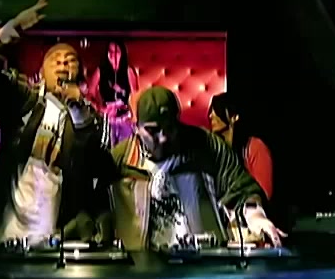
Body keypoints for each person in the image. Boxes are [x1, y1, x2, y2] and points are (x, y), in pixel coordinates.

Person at [0, 0, 118, 247]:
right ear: (40, 73)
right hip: (6, 232)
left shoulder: (90, 120)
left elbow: (99, 169)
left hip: (56, 239)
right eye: (54, 59)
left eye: (70, 59)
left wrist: (79, 110)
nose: (62, 62)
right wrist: (6, 32)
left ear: (81, 74)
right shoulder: (23, 100)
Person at [109, 86, 286, 250]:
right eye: (152, 131)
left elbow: (240, 188)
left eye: (170, 128)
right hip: (145, 260)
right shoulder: (122, 159)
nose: (163, 138)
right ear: (136, 128)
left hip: (204, 257)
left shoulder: (207, 146)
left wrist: (256, 216)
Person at [207, 93, 274, 202]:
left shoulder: (254, 147)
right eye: (211, 111)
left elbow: (264, 193)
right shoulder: (217, 151)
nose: (211, 116)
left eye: (217, 110)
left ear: (234, 117)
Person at [88, 39, 140, 145]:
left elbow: (135, 96)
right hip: (107, 117)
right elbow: (89, 94)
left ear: (122, 54)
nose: (113, 55)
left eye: (116, 52)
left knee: (126, 147)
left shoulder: (128, 71)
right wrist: (99, 108)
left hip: (125, 118)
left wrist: (134, 118)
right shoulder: (100, 71)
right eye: (110, 51)